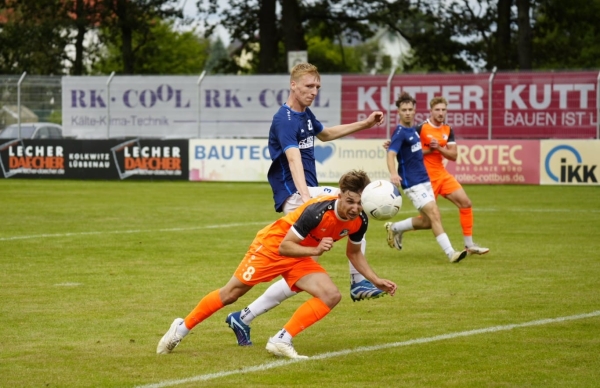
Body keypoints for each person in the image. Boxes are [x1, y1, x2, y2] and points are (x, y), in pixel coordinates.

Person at [224, 63, 386, 347]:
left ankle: (243, 317)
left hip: (306, 194)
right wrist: (307, 200)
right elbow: (293, 159)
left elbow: (326, 134)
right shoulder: (284, 119)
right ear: (294, 85)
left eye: (317, 87)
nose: (314, 91)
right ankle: (358, 282)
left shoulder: (305, 115)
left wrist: (366, 123)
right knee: (355, 204)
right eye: (309, 86)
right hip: (297, 195)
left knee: (299, 276)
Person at [156, 170, 397, 359]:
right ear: (340, 194)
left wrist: (376, 280)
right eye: (350, 201)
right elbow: (285, 246)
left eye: (359, 203)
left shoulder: (360, 220)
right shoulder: (317, 212)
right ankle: (180, 329)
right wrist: (315, 249)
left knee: (331, 295)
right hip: (272, 247)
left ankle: (281, 340)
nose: (354, 208)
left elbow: (354, 253)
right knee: (231, 294)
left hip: (299, 254)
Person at [387, 96, 489, 255]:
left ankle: (469, 245)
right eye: (437, 110)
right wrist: (393, 147)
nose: (441, 113)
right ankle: (398, 229)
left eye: (443, 110)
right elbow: (408, 147)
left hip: (441, 175)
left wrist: (439, 148)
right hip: (422, 176)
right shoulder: (420, 128)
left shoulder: (447, 129)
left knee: (465, 203)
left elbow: (454, 156)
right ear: (430, 111)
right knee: (429, 219)